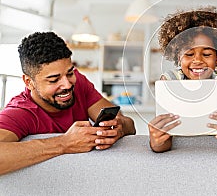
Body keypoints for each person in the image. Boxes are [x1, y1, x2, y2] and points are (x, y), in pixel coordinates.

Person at [0, 32, 136, 175]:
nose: (67, 84)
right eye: (54, 80)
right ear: (29, 82)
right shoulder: (20, 112)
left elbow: (129, 125)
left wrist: (119, 128)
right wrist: (64, 143)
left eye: (70, 73)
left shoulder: (79, 83)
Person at [148, 6, 217, 153]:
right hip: (180, 157)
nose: (197, 60)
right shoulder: (169, 81)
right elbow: (163, 146)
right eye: (189, 54)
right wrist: (156, 141)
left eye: (207, 54)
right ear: (179, 57)